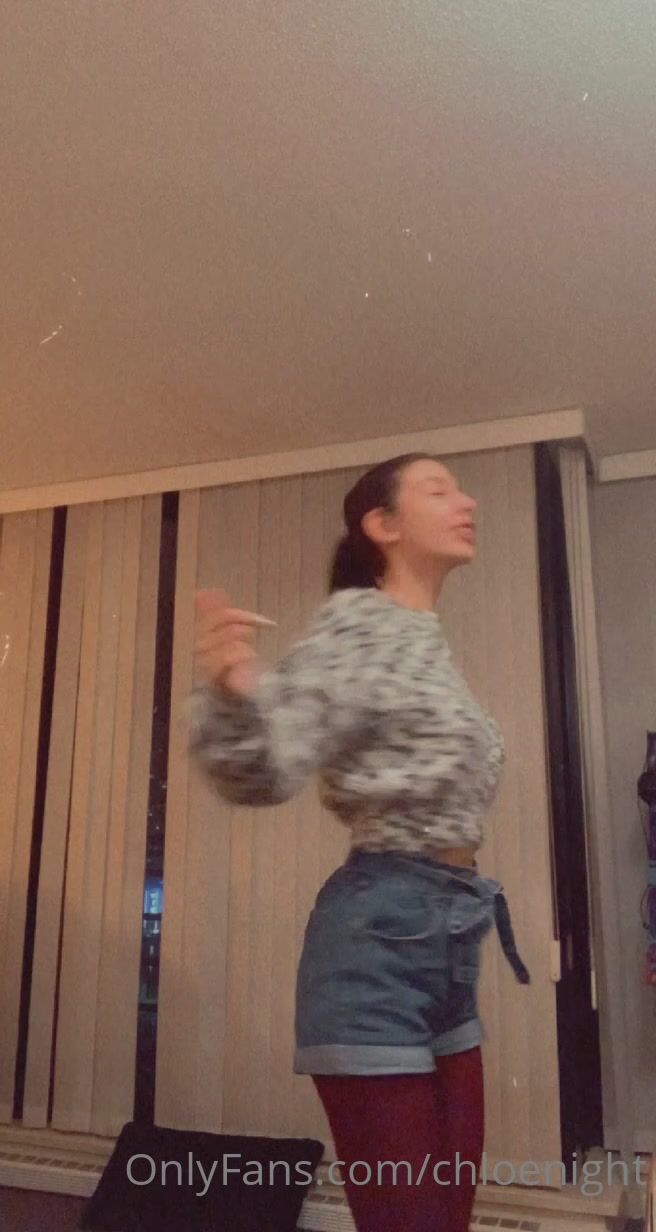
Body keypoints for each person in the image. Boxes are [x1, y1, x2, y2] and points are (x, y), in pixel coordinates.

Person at [188, 452, 531, 1232]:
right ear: (382, 524)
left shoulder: (421, 637)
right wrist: (233, 693)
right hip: (379, 947)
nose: (467, 501)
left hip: (447, 941)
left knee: (447, 1218)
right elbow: (267, 770)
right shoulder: (361, 623)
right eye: (438, 489)